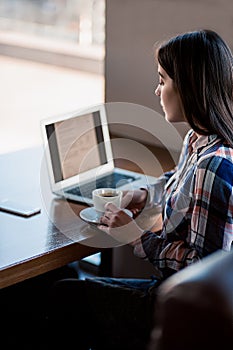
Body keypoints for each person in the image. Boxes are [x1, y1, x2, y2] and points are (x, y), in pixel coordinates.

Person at [47, 29, 233, 350]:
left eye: (163, 80)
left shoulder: (214, 167)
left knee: (62, 295)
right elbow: (177, 181)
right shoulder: (199, 139)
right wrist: (144, 193)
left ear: (188, 87)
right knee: (65, 276)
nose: (156, 90)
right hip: (166, 289)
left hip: (171, 303)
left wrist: (135, 235)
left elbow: (200, 276)